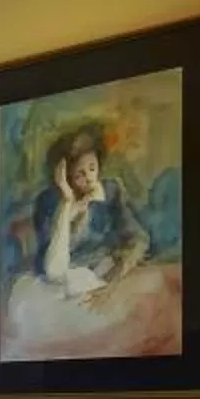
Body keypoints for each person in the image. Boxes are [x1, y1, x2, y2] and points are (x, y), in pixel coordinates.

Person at [30, 125, 150, 303]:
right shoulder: (48, 202)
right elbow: (54, 269)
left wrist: (113, 280)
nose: (89, 177)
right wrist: (67, 203)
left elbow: (138, 238)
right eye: (80, 173)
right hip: (59, 285)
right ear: (65, 176)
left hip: (103, 274)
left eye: (92, 168)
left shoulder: (110, 192)